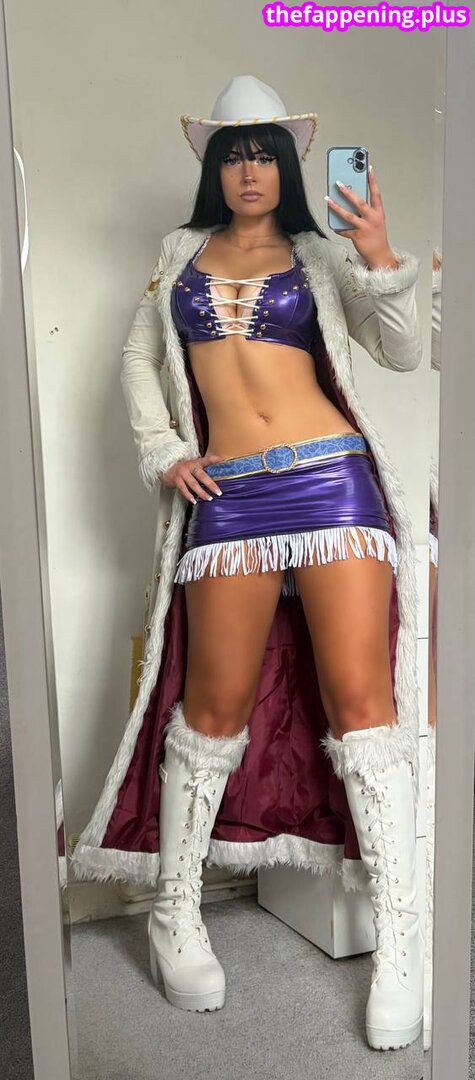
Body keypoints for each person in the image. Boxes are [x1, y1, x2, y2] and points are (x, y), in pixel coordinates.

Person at [71, 75, 425, 1050]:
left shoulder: (321, 253)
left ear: (290, 164)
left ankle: (400, 940)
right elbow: (140, 360)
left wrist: (378, 255)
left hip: (332, 484)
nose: (250, 169)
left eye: (265, 151)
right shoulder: (177, 255)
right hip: (227, 496)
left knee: (362, 708)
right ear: (213, 167)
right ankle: (174, 913)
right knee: (210, 709)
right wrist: (161, 450)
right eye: (234, 153)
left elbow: (401, 353)